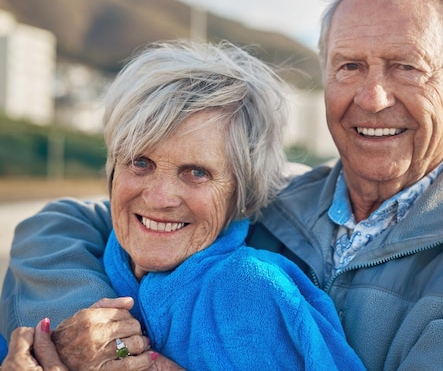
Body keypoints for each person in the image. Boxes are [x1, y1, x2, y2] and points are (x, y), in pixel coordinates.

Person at [1, 0, 443, 370]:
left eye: (407, 67)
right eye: (349, 66)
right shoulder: (272, 200)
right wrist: (85, 343)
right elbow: (60, 226)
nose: (372, 97)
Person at [1, 40, 365, 370]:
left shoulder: (253, 291)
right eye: (140, 162)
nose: (159, 197)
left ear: (241, 192)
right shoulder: (87, 261)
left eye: (196, 172)